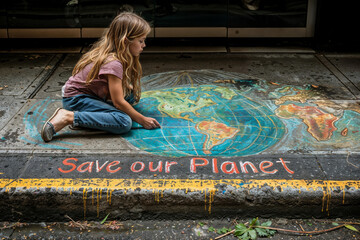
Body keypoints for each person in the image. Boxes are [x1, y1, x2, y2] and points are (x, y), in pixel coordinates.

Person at [41, 12, 161, 142]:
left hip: (81, 95)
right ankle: (68, 117)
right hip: (75, 100)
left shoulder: (112, 53)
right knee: (124, 122)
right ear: (126, 41)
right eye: (141, 41)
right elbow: (118, 102)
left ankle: (90, 117)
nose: (144, 45)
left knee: (129, 95)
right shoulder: (114, 63)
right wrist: (142, 120)